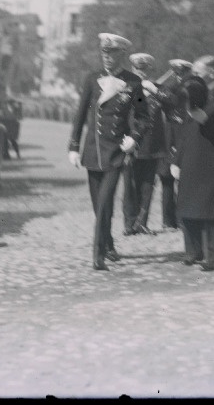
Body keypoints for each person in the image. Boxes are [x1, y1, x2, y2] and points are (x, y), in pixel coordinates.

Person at [67, 33, 149, 271]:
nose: (107, 58)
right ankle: (109, 242)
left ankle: (98, 254)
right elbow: (80, 114)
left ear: (121, 55)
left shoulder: (134, 83)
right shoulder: (92, 79)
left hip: (115, 152)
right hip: (92, 151)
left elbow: (144, 117)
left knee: (104, 203)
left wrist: (135, 137)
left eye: (112, 54)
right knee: (98, 206)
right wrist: (73, 146)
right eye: (104, 53)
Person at [172, 55, 214, 271]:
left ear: (212, 72)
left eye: (198, 72)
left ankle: (213, 258)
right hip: (191, 157)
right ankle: (193, 252)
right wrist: (176, 159)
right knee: (186, 206)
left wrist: (207, 120)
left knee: (212, 211)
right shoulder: (191, 92)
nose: (194, 76)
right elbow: (184, 130)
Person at [142, 59, 193, 231]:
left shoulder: (190, 87)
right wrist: (149, 87)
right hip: (168, 133)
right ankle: (168, 219)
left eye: (180, 73)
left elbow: (172, 99)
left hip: (183, 131)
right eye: (175, 72)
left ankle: (183, 218)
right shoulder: (170, 86)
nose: (178, 76)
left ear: (186, 73)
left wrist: (154, 88)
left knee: (183, 177)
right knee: (166, 177)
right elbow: (158, 98)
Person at [121, 53, 164, 236]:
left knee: (148, 185)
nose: (142, 72)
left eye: (145, 69)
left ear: (150, 70)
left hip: (152, 146)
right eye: (138, 69)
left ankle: (142, 223)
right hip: (132, 143)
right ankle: (129, 223)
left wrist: (154, 90)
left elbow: (173, 101)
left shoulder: (157, 88)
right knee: (130, 185)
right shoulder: (127, 88)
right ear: (133, 69)